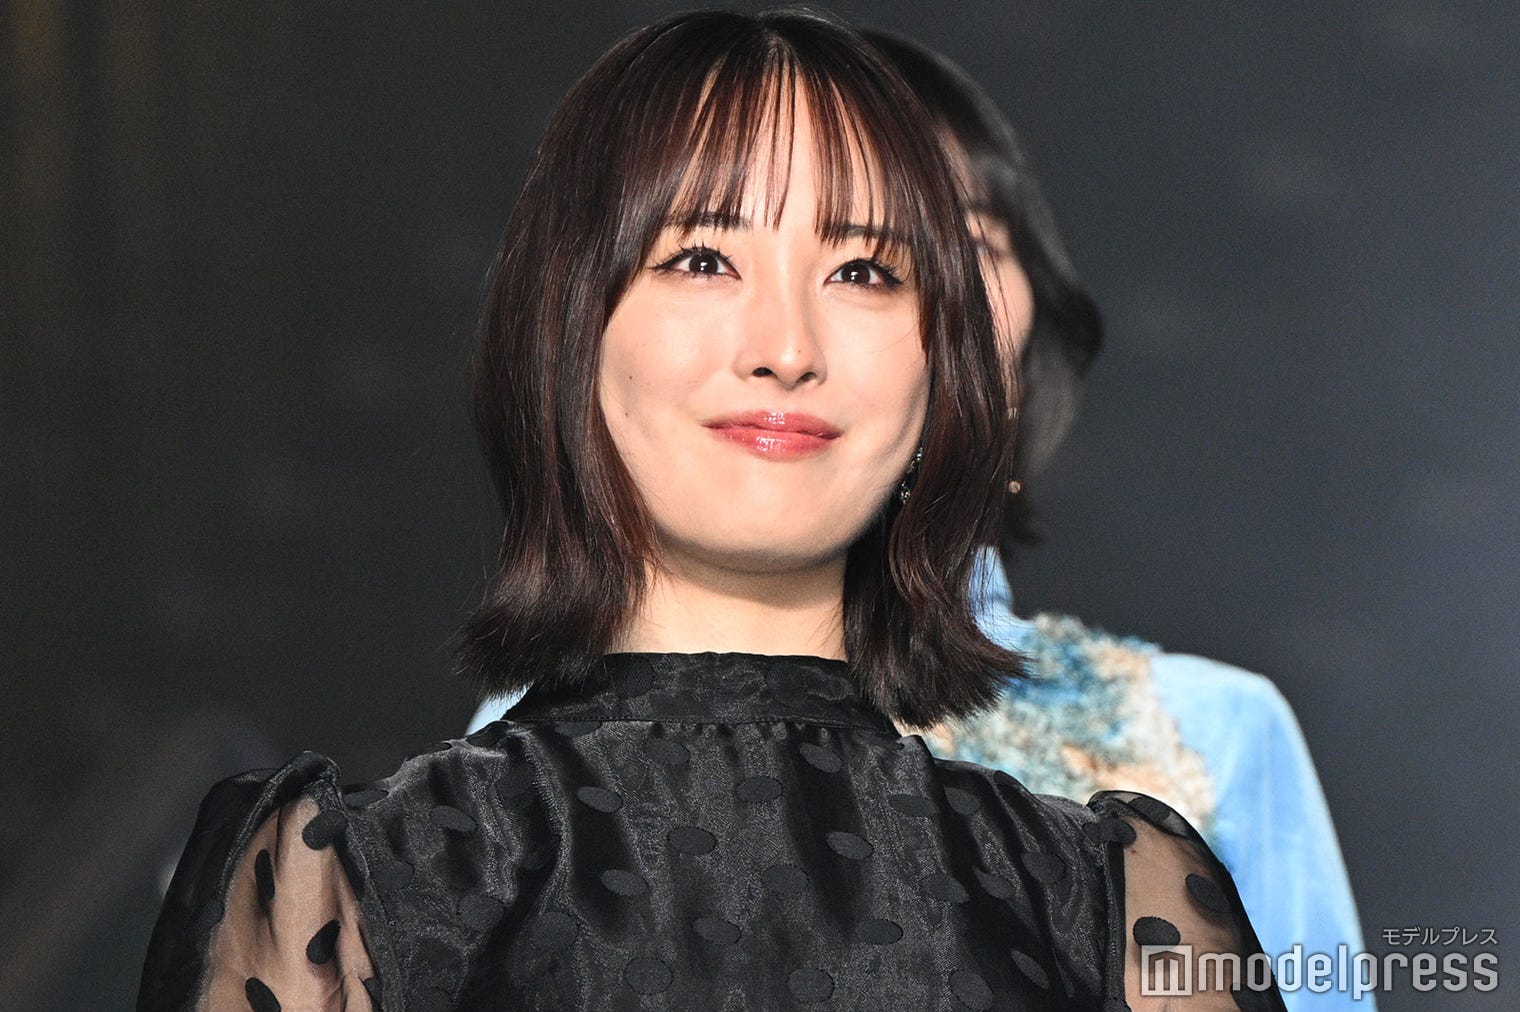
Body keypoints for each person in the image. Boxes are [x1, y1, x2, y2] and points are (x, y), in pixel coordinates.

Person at [142, 9, 1285, 1009]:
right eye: (699, 258)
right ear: (566, 331)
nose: (784, 347)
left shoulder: (1111, 906)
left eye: (863, 272)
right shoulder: (347, 893)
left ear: (944, 370)